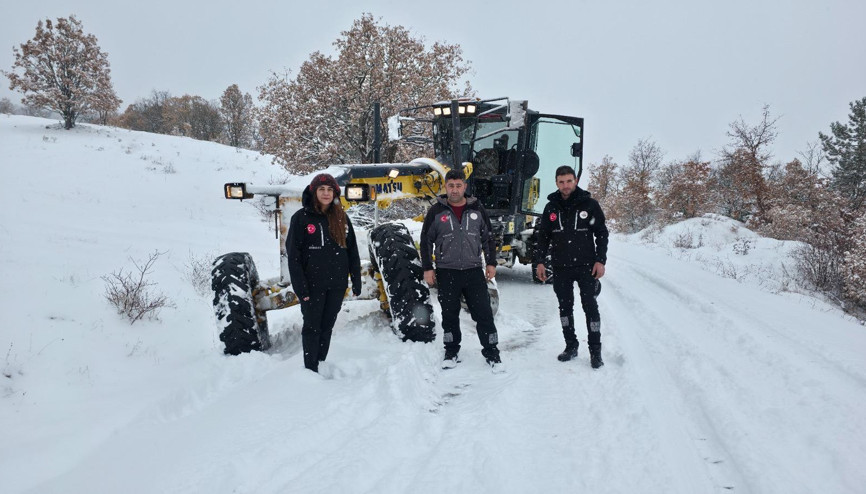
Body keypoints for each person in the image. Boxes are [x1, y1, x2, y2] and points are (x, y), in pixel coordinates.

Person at [420, 169, 503, 371]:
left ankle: (492, 352)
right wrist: (428, 268)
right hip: (446, 272)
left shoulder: (476, 209)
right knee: (449, 314)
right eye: (451, 185)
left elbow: (488, 238)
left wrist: (491, 263)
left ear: (465, 187)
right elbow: (425, 241)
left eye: (458, 185)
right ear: (445, 187)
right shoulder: (436, 211)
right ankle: (451, 350)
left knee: (483, 313)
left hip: (473, 271)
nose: (455, 189)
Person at [533, 165, 609, 369]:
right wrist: (540, 261)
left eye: (569, 181)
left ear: (575, 181)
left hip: (586, 266)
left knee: (590, 308)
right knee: (565, 308)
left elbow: (601, 233)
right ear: (556, 183)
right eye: (561, 182)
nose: (565, 186)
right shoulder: (551, 208)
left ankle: (595, 351)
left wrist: (600, 260)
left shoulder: (589, 205)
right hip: (560, 267)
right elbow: (543, 237)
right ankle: (571, 346)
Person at [287, 173, 362, 373]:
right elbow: (294, 257)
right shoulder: (301, 218)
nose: (326, 193)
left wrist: (356, 280)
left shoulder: (341, 217)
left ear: (335, 193)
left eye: (330, 190)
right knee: (312, 327)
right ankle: (310, 370)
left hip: (336, 284)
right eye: (322, 189)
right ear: (314, 192)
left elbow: (352, 251)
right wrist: (301, 288)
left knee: (327, 325)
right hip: (312, 286)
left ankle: (321, 362)